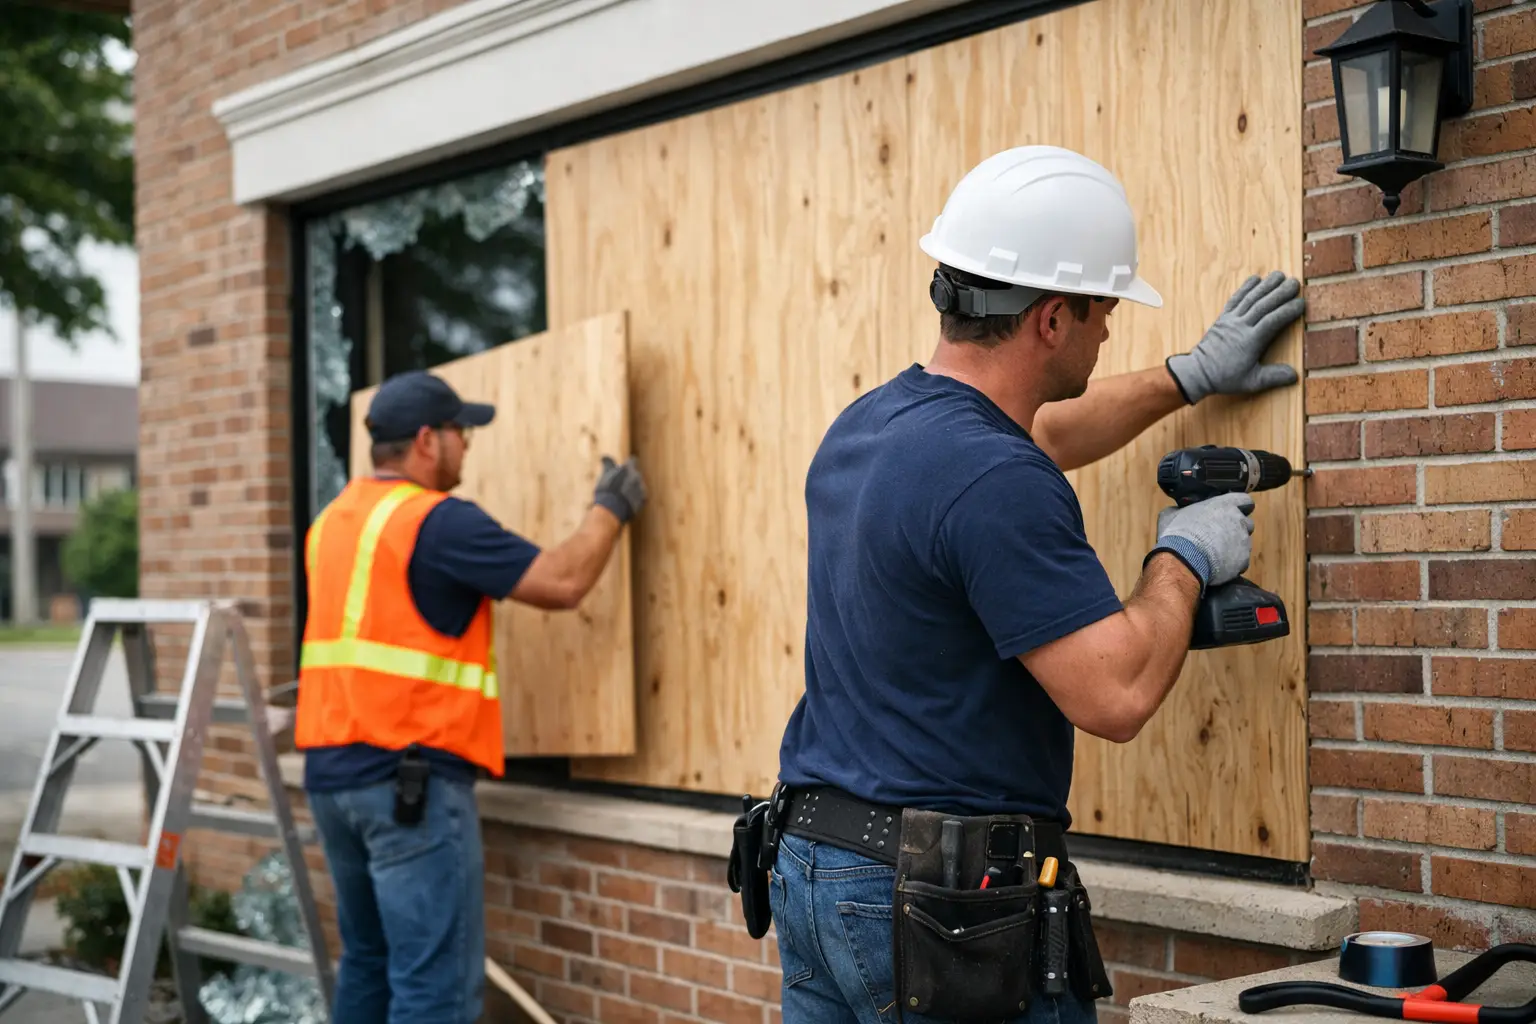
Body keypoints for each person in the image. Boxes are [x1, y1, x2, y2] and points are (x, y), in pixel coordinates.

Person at [764, 146, 1306, 1023]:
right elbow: (1116, 692)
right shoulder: (992, 479)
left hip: (820, 870)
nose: (1107, 331)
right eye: (1102, 311)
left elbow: (1039, 438)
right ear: (1052, 319)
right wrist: (1183, 557)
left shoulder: (873, 427)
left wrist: (1190, 375)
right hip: (944, 912)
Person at [293, 369, 647, 1024]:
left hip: (332, 781)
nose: (469, 446)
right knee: (437, 991)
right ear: (428, 440)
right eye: (462, 432)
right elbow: (562, 582)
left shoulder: (332, 523)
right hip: (407, 788)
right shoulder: (437, 522)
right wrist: (612, 507)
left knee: (368, 964)